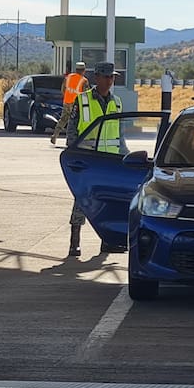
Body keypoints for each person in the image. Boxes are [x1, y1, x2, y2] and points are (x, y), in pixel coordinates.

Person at [66, 61, 124, 257]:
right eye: (106, 77)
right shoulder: (82, 100)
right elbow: (72, 131)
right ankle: (75, 242)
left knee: (108, 203)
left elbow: (119, 134)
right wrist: (74, 157)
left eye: (112, 77)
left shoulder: (117, 102)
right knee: (82, 201)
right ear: (96, 78)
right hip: (88, 161)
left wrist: (125, 158)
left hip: (110, 162)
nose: (109, 81)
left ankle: (107, 242)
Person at [51, 60, 88, 145]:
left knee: (63, 119)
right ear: (83, 70)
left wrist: (67, 96)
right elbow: (86, 94)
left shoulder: (68, 77)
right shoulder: (84, 81)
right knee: (75, 122)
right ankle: (71, 140)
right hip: (76, 105)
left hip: (66, 102)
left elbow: (63, 90)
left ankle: (55, 135)